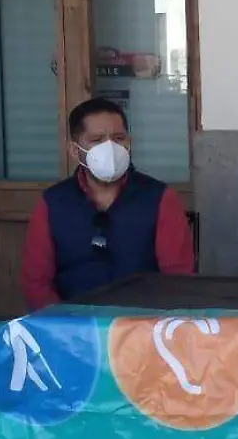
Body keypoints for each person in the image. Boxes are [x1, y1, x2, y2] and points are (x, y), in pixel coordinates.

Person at [20, 97, 194, 310]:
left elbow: (178, 280)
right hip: (71, 323)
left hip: (141, 322)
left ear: (129, 143)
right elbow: (36, 282)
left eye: (119, 138)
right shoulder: (53, 203)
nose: (110, 148)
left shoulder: (159, 198)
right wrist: (65, 323)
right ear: (75, 150)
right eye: (96, 140)